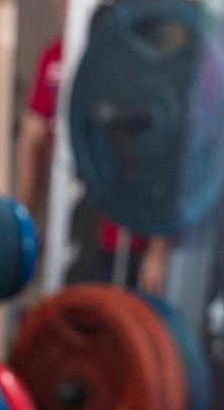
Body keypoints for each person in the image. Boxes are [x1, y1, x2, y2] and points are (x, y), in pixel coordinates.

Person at [14, 36, 171, 295]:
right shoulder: (55, 57)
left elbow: (166, 152)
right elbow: (33, 134)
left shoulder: (138, 54)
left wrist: (158, 250)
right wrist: (23, 230)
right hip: (73, 220)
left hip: (129, 229)